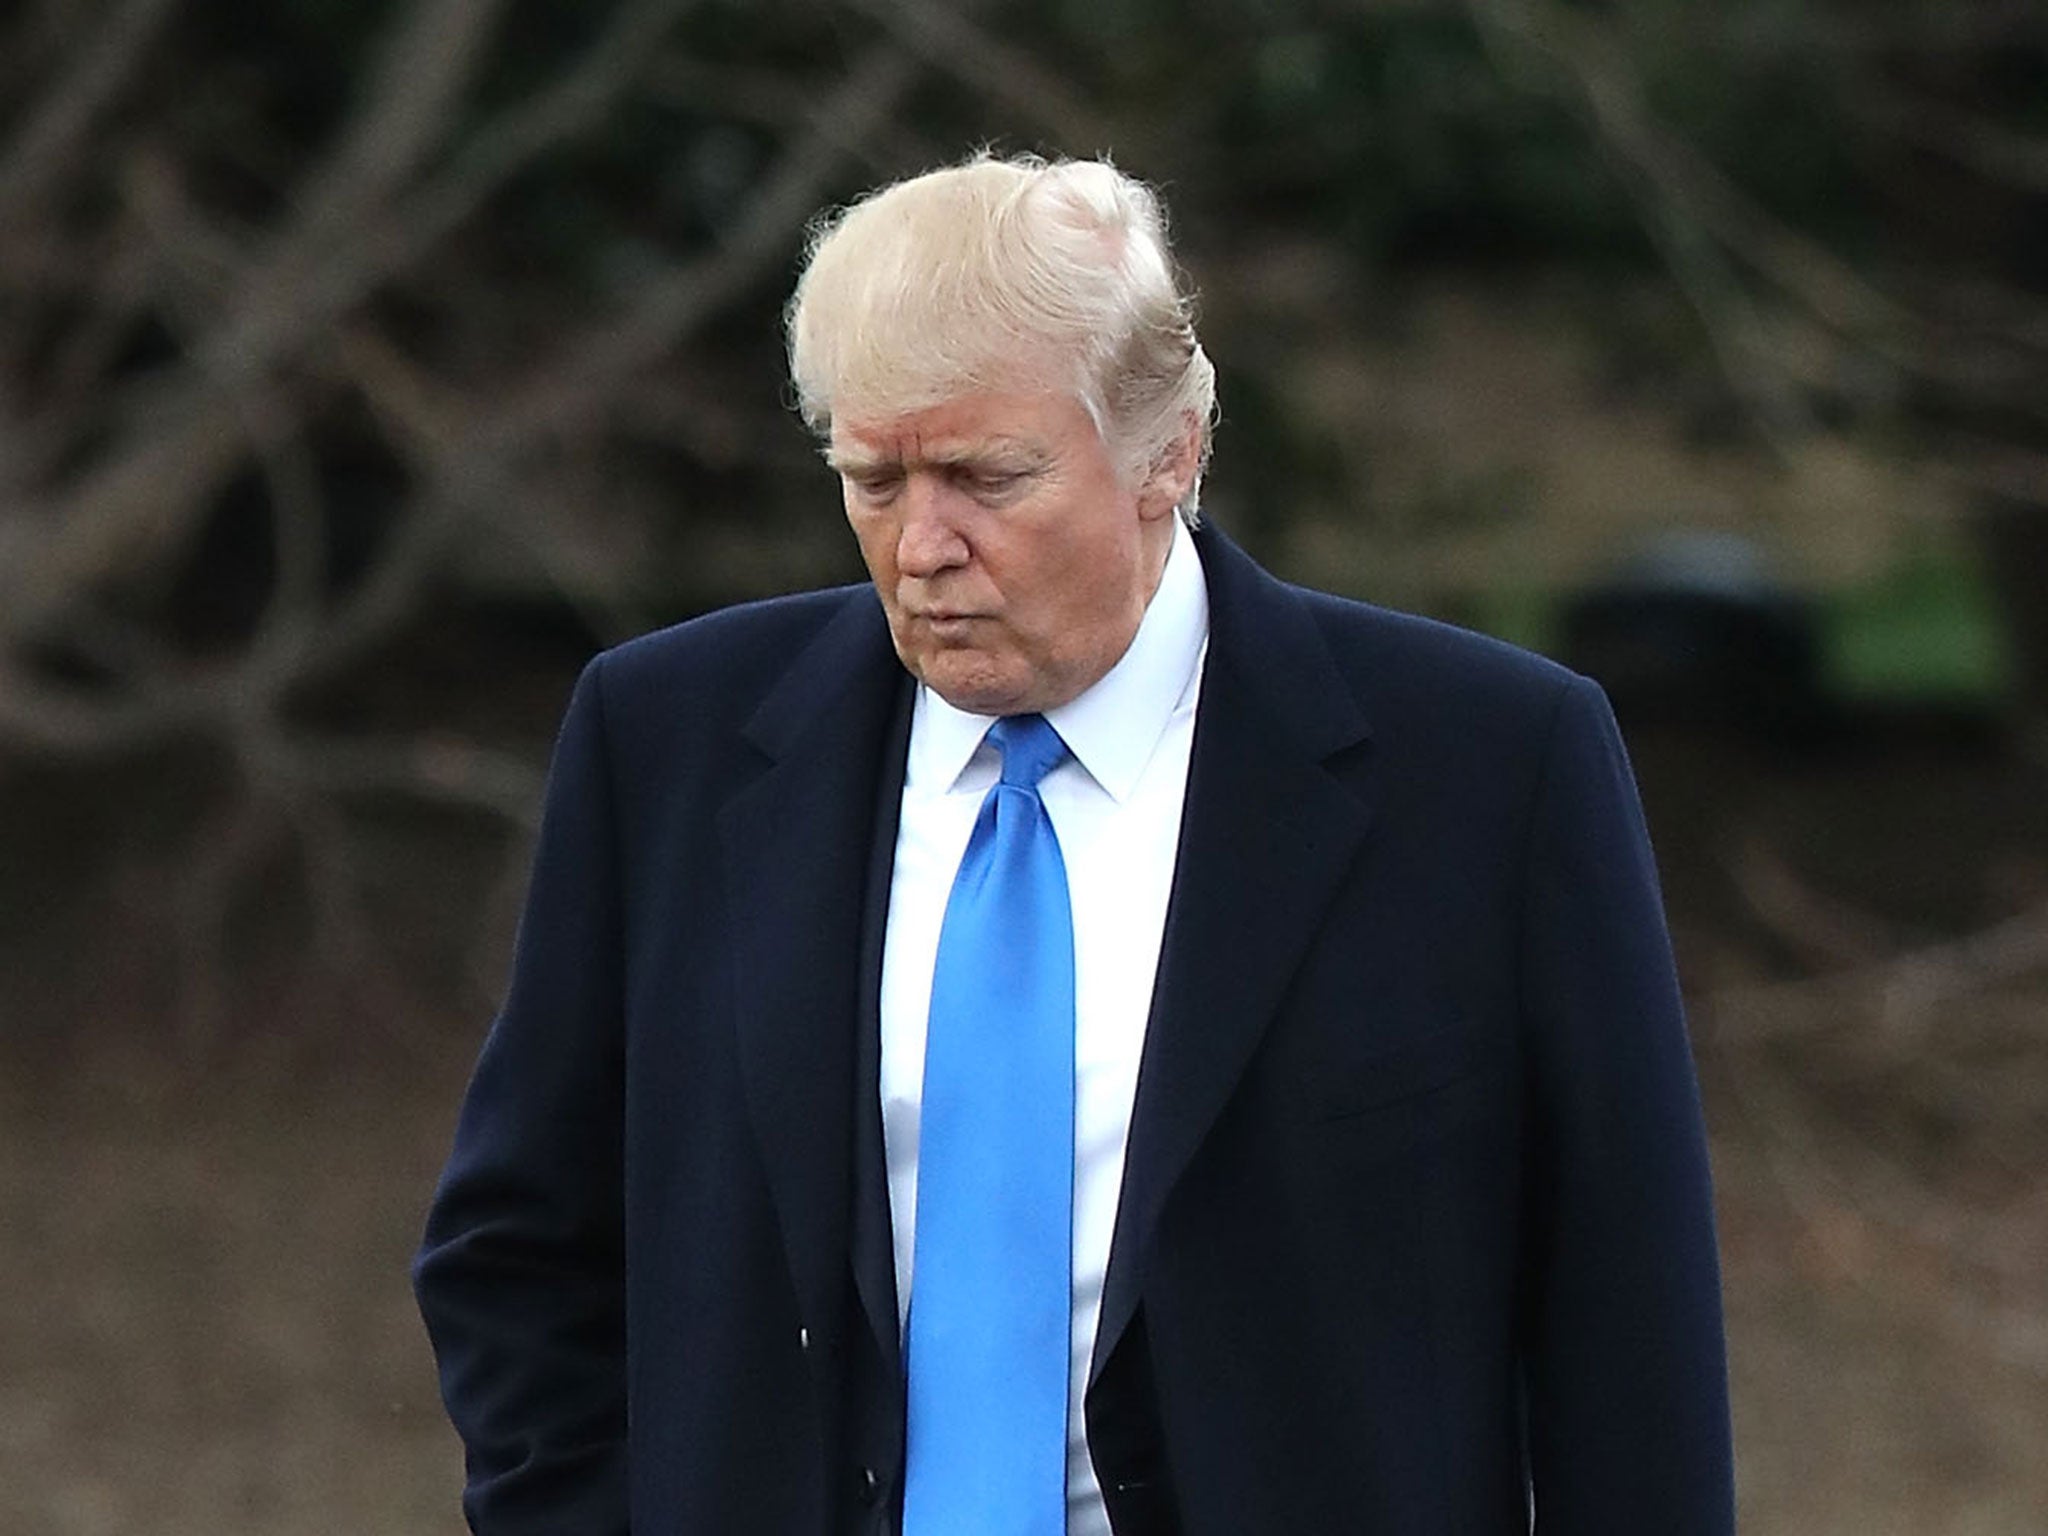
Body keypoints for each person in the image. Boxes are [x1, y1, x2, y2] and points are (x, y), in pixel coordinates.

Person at [414, 152, 1734, 1536]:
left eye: (988, 476)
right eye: (874, 478)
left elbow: (1626, 1326)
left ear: (1170, 449)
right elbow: (519, 1251)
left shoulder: (1489, 769)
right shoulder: (667, 741)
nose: (923, 545)